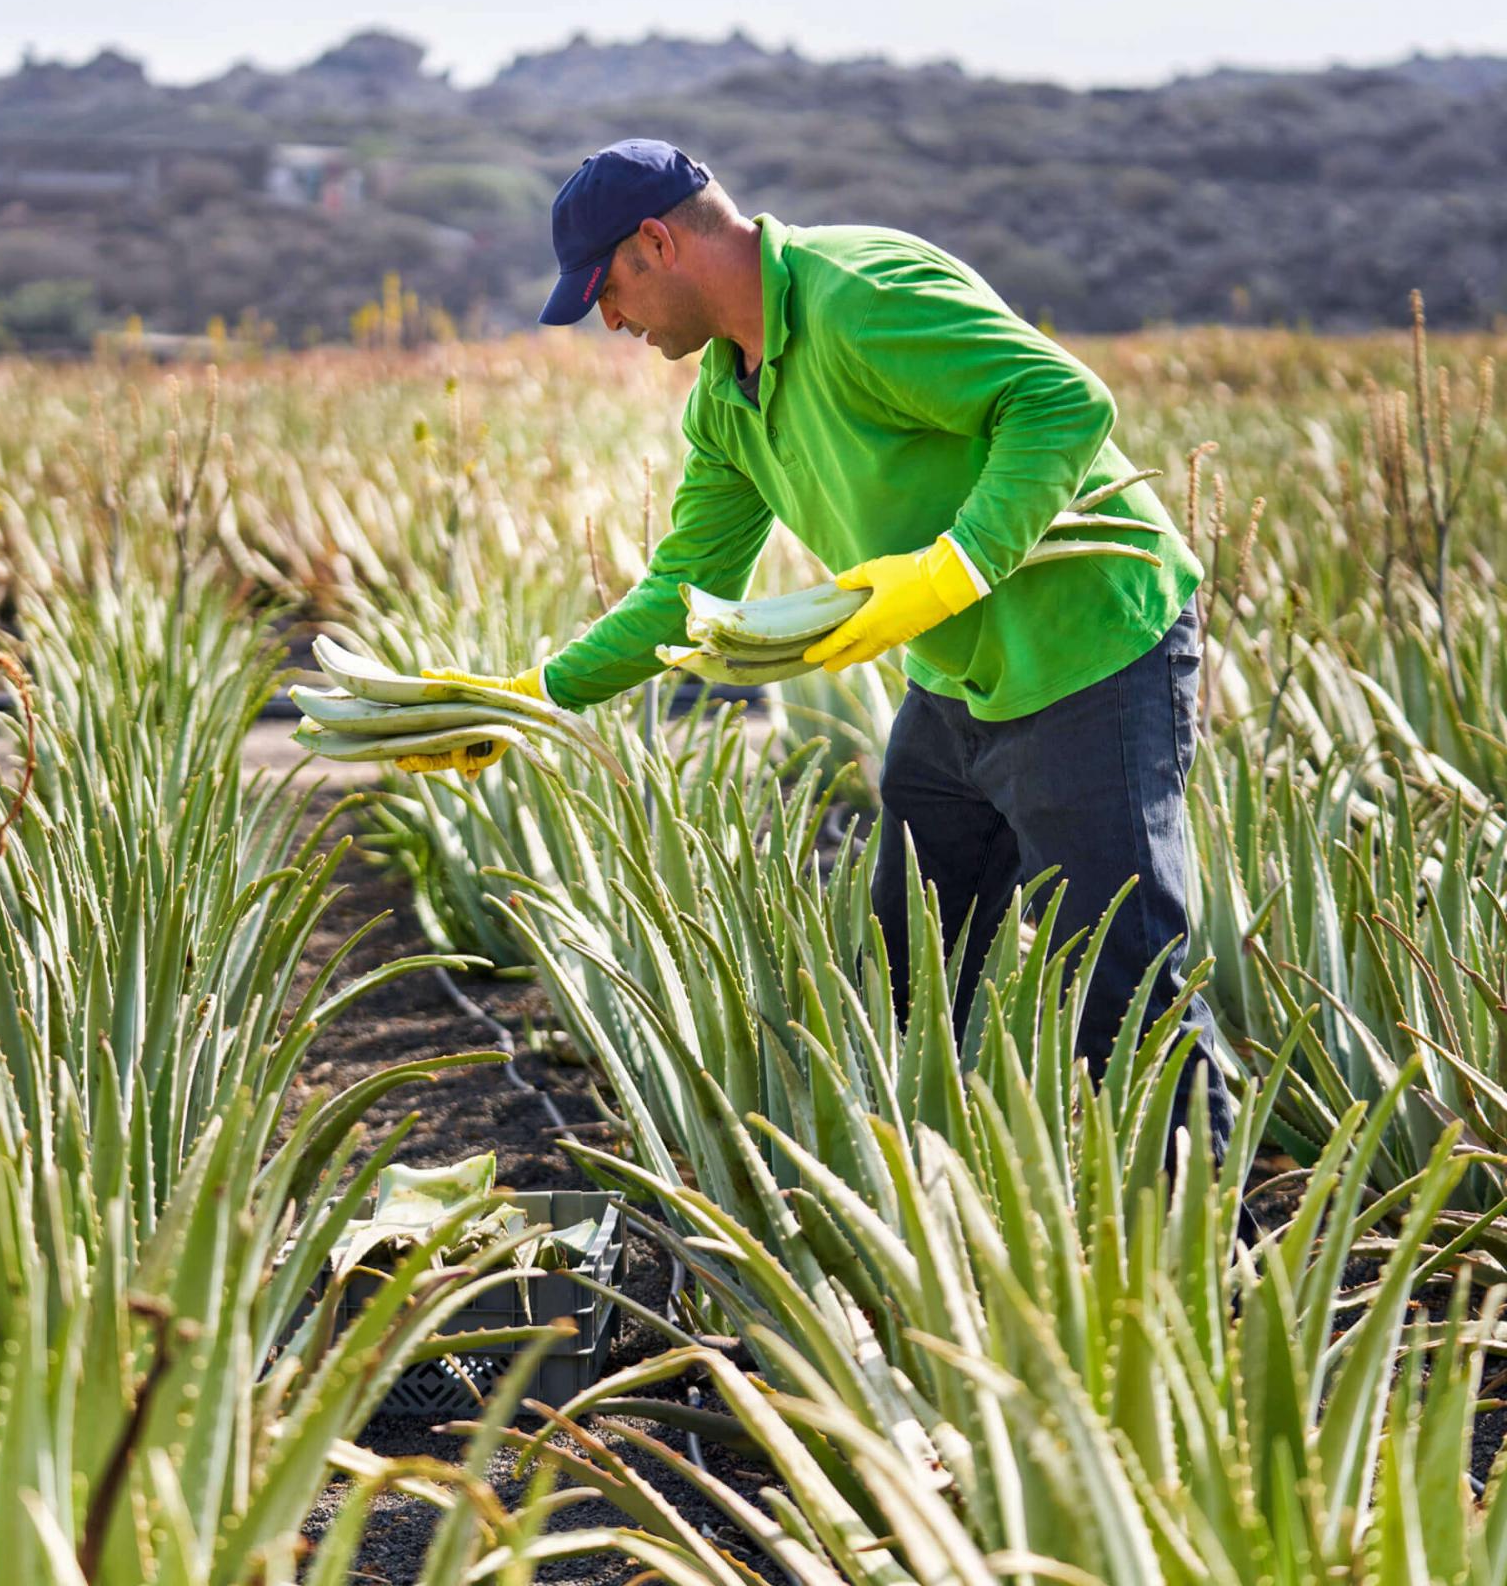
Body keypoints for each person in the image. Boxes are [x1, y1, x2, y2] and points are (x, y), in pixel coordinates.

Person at [409, 137, 1234, 1167]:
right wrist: (531, 697)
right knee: (902, 976)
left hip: (1090, 657)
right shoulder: (726, 399)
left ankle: (1216, 1281)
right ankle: (943, 1215)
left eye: (605, 291)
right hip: (953, 685)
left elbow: (1062, 403)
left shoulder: (863, 295)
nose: (610, 321)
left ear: (656, 242)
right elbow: (682, 596)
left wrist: (951, 570)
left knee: (1124, 1002)